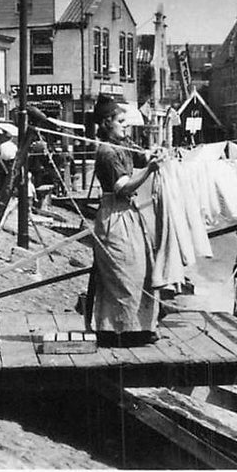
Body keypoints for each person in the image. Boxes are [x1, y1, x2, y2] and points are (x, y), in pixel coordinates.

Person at [90, 95, 163, 348]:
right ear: (107, 123)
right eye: (121, 121)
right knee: (124, 272)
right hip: (115, 215)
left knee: (143, 269)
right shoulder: (107, 152)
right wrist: (148, 172)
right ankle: (118, 330)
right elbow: (122, 187)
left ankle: (139, 327)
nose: (126, 125)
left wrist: (154, 154)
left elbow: (141, 155)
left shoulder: (122, 144)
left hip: (128, 215)